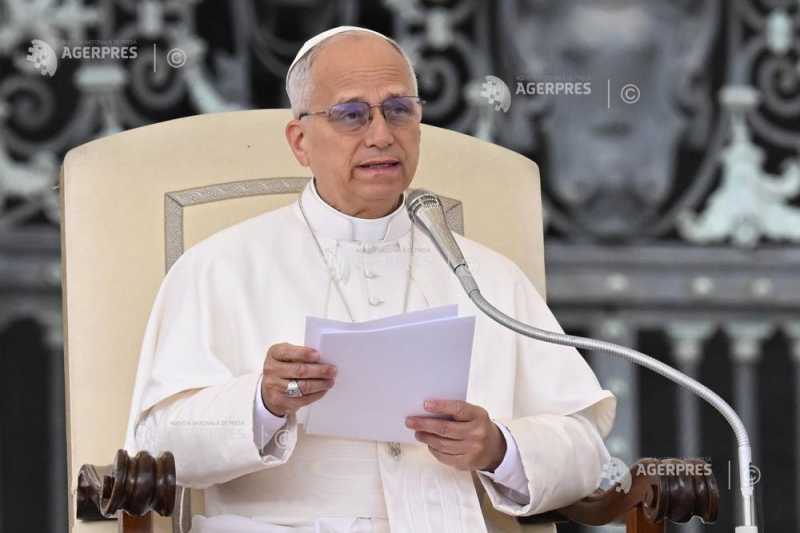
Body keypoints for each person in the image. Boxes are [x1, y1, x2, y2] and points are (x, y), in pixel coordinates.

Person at [124, 26, 616, 533]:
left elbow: (584, 449)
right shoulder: (219, 268)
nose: (382, 134)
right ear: (300, 141)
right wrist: (262, 403)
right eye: (351, 114)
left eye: (399, 109)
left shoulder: (487, 278)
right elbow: (155, 448)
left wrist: (498, 448)